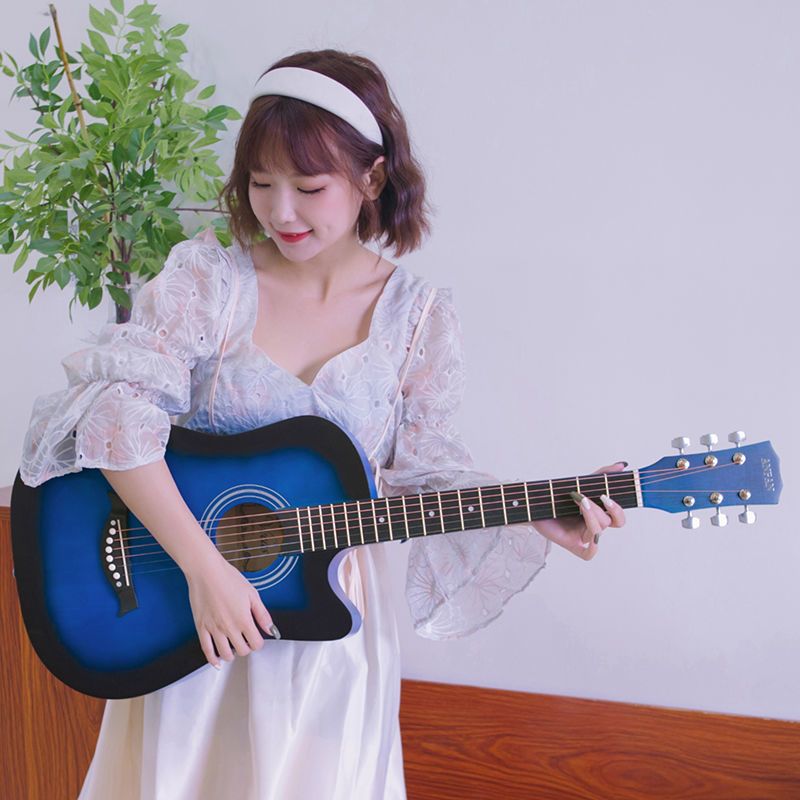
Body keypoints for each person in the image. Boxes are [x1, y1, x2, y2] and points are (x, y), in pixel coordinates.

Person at [18, 49, 626, 800]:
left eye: (308, 187)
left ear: (372, 178)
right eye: (261, 182)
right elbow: (115, 419)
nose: (280, 212)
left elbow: (421, 478)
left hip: (325, 633)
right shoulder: (210, 280)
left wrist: (534, 511)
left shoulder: (419, 318)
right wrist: (205, 572)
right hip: (187, 613)